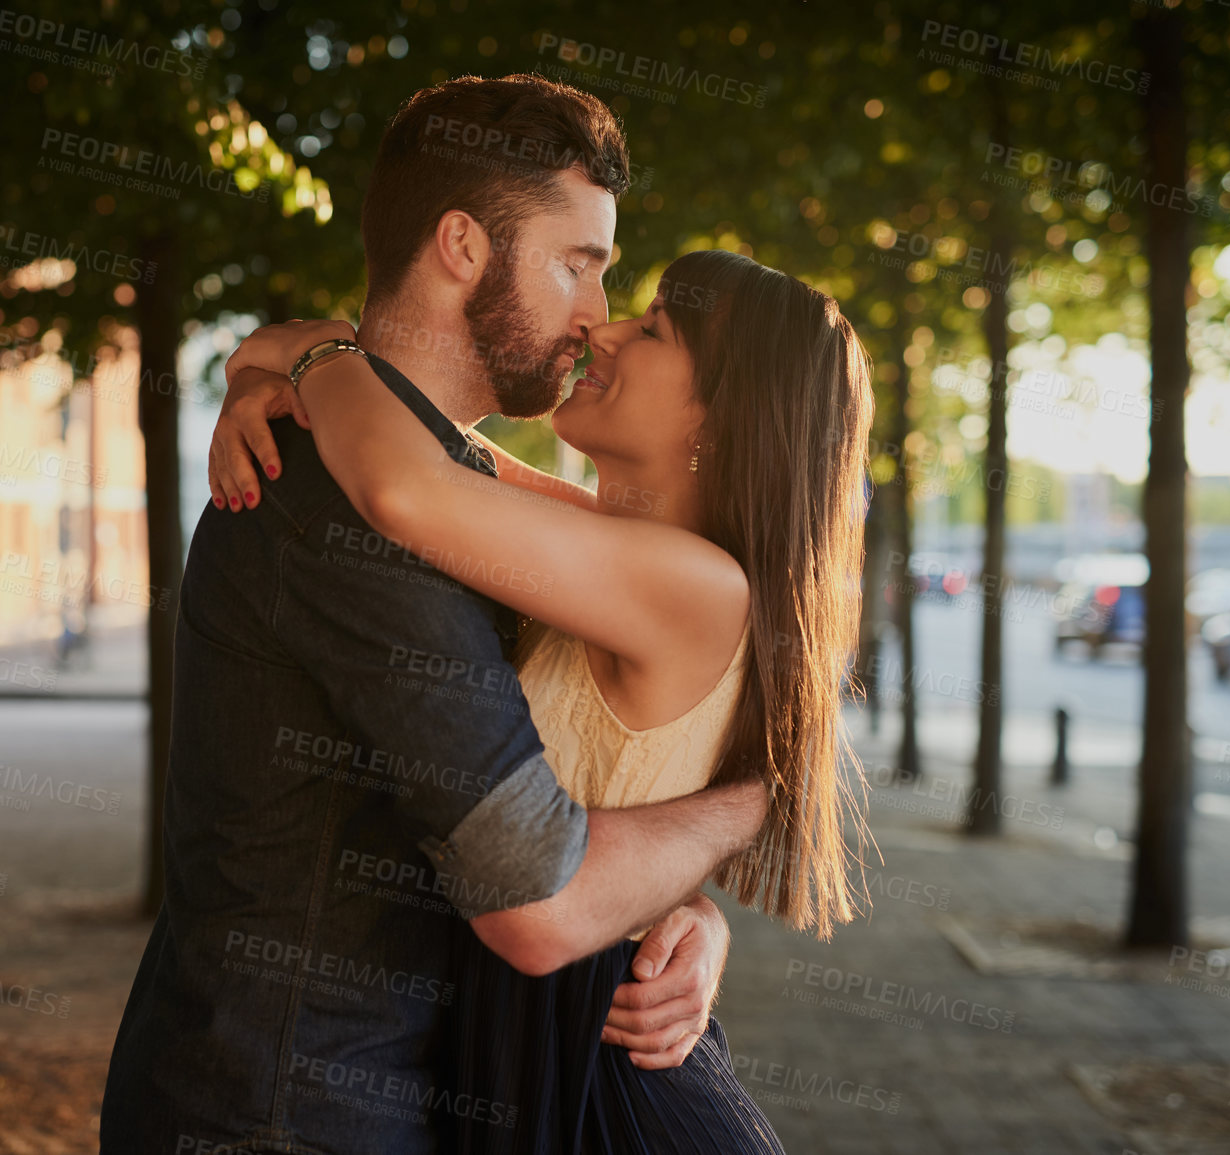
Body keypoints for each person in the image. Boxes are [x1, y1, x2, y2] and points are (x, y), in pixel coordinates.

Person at [100, 74, 771, 1155]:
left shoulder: (449, 481)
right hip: (287, 1112)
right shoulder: (340, 494)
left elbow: (583, 768)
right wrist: (748, 803)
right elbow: (534, 890)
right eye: (576, 265)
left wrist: (685, 913)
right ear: (463, 247)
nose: (595, 317)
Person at [209, 246, 874, 1149]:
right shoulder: (597, 540)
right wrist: (270, 381)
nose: (603, 327)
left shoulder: (697, 584)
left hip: (606, 1089)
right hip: (533, 1054)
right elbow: (393, 433)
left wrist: (321, 361)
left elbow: (402, 483)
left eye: (653, 330)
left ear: (718, 417)